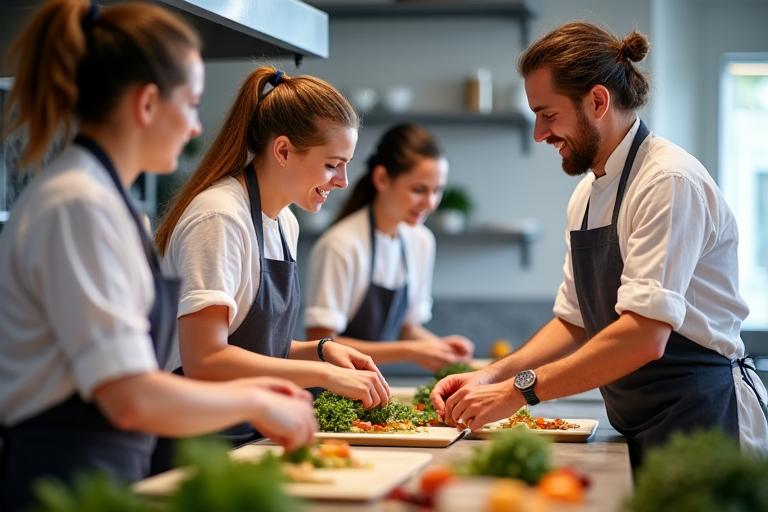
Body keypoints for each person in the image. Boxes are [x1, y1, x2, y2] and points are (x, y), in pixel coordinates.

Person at [0, 2, 318, 510]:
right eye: (191, 104)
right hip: (61, 486)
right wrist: (256, 400)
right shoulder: (80, 205)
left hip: (106, 478)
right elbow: (130, 398)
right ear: (147, 105)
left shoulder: (107, 202)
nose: (196, 127)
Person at [430, 21, 768, 470]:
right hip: (642, 424)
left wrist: (518, 391)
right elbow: (573, 321)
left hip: (707, 425)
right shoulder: (588, 195)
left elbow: (644, 337)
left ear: (597, 101)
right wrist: (490, 374)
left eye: (548, 114)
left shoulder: (667, 181)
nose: (539, 133)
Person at [154, 66, 391, 449]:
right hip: (194, 443)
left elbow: (255, 347)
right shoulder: (220, 217)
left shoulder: (283, 222)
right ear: (282, 150)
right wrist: (324, 377)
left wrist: (320, 352)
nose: (343, 181)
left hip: (246, 433)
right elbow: (205, 359)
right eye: (332, 164)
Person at [304, 124, 474, 372]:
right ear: (382, 179)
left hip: (372, 389)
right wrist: (410, 351)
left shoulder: (421, 241)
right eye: (419, 190)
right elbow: (320, 343)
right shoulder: (341, 244)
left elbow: (407, 328)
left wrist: (441, 349)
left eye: (437, 190)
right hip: (330, 394)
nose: (430, 203)